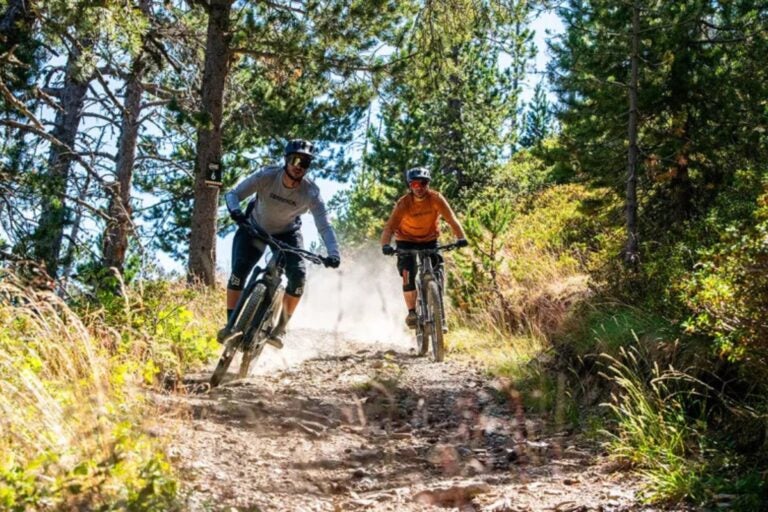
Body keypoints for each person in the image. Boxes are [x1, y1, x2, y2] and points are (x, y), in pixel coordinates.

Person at [220, 139, 341, 349]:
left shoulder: (311, 192)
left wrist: (333, 253)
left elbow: (325, 226)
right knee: (239, 270)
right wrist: (236, 212)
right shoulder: (267, 176)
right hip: (253, 228)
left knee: (298, 277)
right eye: (294, 160)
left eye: (304, 162)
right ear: (286, 160)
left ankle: (280, 329)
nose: (298, 166)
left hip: (287, 235)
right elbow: (233, 194)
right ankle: (230, 325)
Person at [380, 166, 468, 329]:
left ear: (428, 184)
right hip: (406, 240)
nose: (419, 187)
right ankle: (412, 312)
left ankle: (439, 311)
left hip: (429, 239)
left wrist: (461, 237)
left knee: (438, 269)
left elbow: (451, 219)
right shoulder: (404, 203)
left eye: (423, 183)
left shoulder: (436, 198)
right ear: (410, 186)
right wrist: (385, 245)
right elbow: (390, 227)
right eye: (414, 184)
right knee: (407, 274)